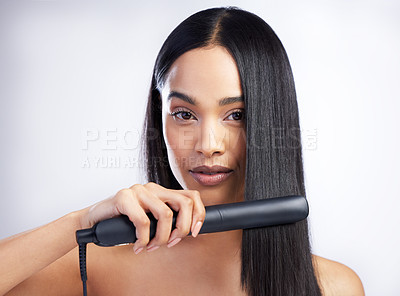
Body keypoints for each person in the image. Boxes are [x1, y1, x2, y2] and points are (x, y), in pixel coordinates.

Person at [0, 6, 364, 296]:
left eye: (236, 115)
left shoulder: (335, 287)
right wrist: (79, 223)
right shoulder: (101, 266)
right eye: (185, 114)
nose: (208, 145)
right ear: (160, 120)